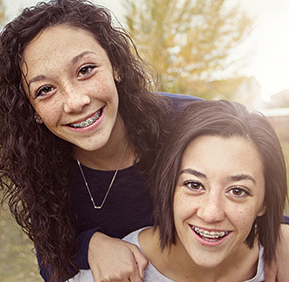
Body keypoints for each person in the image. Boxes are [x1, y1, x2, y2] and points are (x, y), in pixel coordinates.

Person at [0, 0, 288, 281]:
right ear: (33, 110)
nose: (75, 101)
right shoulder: (39, 164)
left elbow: (252, 172)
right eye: (45, 90)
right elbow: (51, 257)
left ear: (115, 65)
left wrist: (281, 228)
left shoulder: (186, 120)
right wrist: (89, 245)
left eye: (86, 70)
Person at [70, 100, 289, 282]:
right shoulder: (108, 275)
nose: (211, 213)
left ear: (264, 202)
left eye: (238, 191)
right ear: (170, 188)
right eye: (194, 185)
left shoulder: (281, 259)